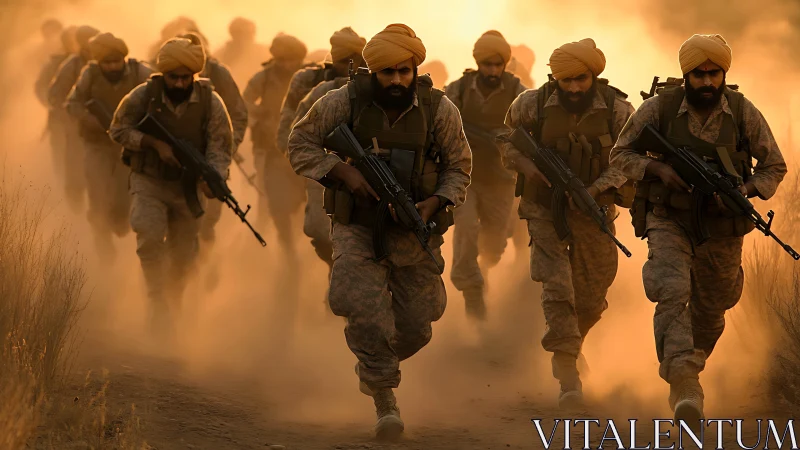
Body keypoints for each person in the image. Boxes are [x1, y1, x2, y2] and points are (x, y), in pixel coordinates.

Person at [287, 23, 470, 440]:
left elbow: (460, 168)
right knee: (360, 303)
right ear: (373, 72)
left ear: (414, 69)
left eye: (404, 72)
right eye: (387, 73)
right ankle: (385, 398)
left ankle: (373, 365)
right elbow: (300, 144)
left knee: (419, 324)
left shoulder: (439, 110)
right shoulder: (342, 101)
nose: (396, 80)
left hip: (414, 227)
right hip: (358, 226)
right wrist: (344, 172)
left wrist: (436, 201)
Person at [609, 33, 788, 423]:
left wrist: (746, 189)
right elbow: (621, 154)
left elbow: (775, 166)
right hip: (669, 218)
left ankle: (691, 363)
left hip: (722, 225)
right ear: (686, 74)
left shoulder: (742, 112)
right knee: (672, 291)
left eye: (714, 73)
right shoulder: (659, 110)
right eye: (699, 74)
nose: (707, 81)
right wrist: (658, 168)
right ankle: (686, 385)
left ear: (724, 73)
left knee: (714, 306)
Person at [500, 38, 634, 408]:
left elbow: (631, 159)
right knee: (558, 287)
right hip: (544, 209)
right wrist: (526, 165)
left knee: (591, 299)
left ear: (593, 74)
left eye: (581, 79)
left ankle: (572, 345)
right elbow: (506, 141)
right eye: (566, 80)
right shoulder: (531, 103)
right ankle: (568, 376)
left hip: (596, 211)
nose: (574, 87)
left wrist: (594, 189)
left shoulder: (618, 110)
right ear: (554, 77)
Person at [109, 38, 233, 329]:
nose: (178, 84)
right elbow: (117, 129)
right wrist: (153, 143)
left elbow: (220, 146)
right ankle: (156, 301)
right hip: (149, 181)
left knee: (184, 256)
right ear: (163, 75)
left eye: (185, 77)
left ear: (194, 75)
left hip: (187, 188)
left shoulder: (211, 102)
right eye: (172, 77)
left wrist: (211, 177)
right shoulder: (143, 96)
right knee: (150, 237)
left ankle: (173, 303)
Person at [444, 30, 527, 320]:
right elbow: (441, 121)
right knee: (465, 229)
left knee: (495, 245)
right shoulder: (459, 89)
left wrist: (505, 141)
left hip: (502, 179)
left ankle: (483, 269)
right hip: (465, 177)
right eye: (487, 64)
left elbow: (531, 128)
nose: (492, 71)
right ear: (478, 62)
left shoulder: (519, 93)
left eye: (497, 65)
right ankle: (472, 293)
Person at [275, 26, 367, 270]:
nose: (345, 65)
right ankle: (333, 266)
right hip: (325, 165)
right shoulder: (317, 86)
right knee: (318, 228)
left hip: (367, 167)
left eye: (351, 59)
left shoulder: (376, 82)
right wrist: (294, 156)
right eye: (340, 60)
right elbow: (291, 123)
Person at [66, 32, 153, 259]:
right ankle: (102, 244)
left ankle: (118, 225)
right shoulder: (90, 74)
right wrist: (90, 120)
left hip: (129, 146)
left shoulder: (139, 72)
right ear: (99, 62)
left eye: (117, 61)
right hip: (97, 145)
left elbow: (159, 95)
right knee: (97, 195)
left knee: (125, 200)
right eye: (108, 62)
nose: (113, 66)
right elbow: (72, 103)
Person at [179, 31, 248, 247]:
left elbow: (238, 113)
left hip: (212, 154)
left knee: (210, 216)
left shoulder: (219, 74)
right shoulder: (168, 76)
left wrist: (229, 144)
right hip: (178, 157)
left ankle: (205, 265)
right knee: (180, 216)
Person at [242, 33, 307, 252]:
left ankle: (297, 241)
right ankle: (266, 240)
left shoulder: (306, 77)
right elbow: (245, 102)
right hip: (267, 148)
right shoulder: (265, 77)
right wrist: (264, 114)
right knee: (266, 194)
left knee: (301, 197)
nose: (288, 64)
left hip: (299, 146)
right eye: (284, 60)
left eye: (292, 59)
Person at [48, 25, 100, 212]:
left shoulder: (107, 63)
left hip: (101, 133)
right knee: (75, 177)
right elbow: (55, 96)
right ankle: (75, 218)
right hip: (77, 130)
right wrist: (71, 118)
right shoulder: (72, 65)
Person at [213, 17, 270, 86]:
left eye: (251, 33)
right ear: (234, 34)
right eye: (245, 34)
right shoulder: (220, 56)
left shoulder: (263, 52)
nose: (250, 37)